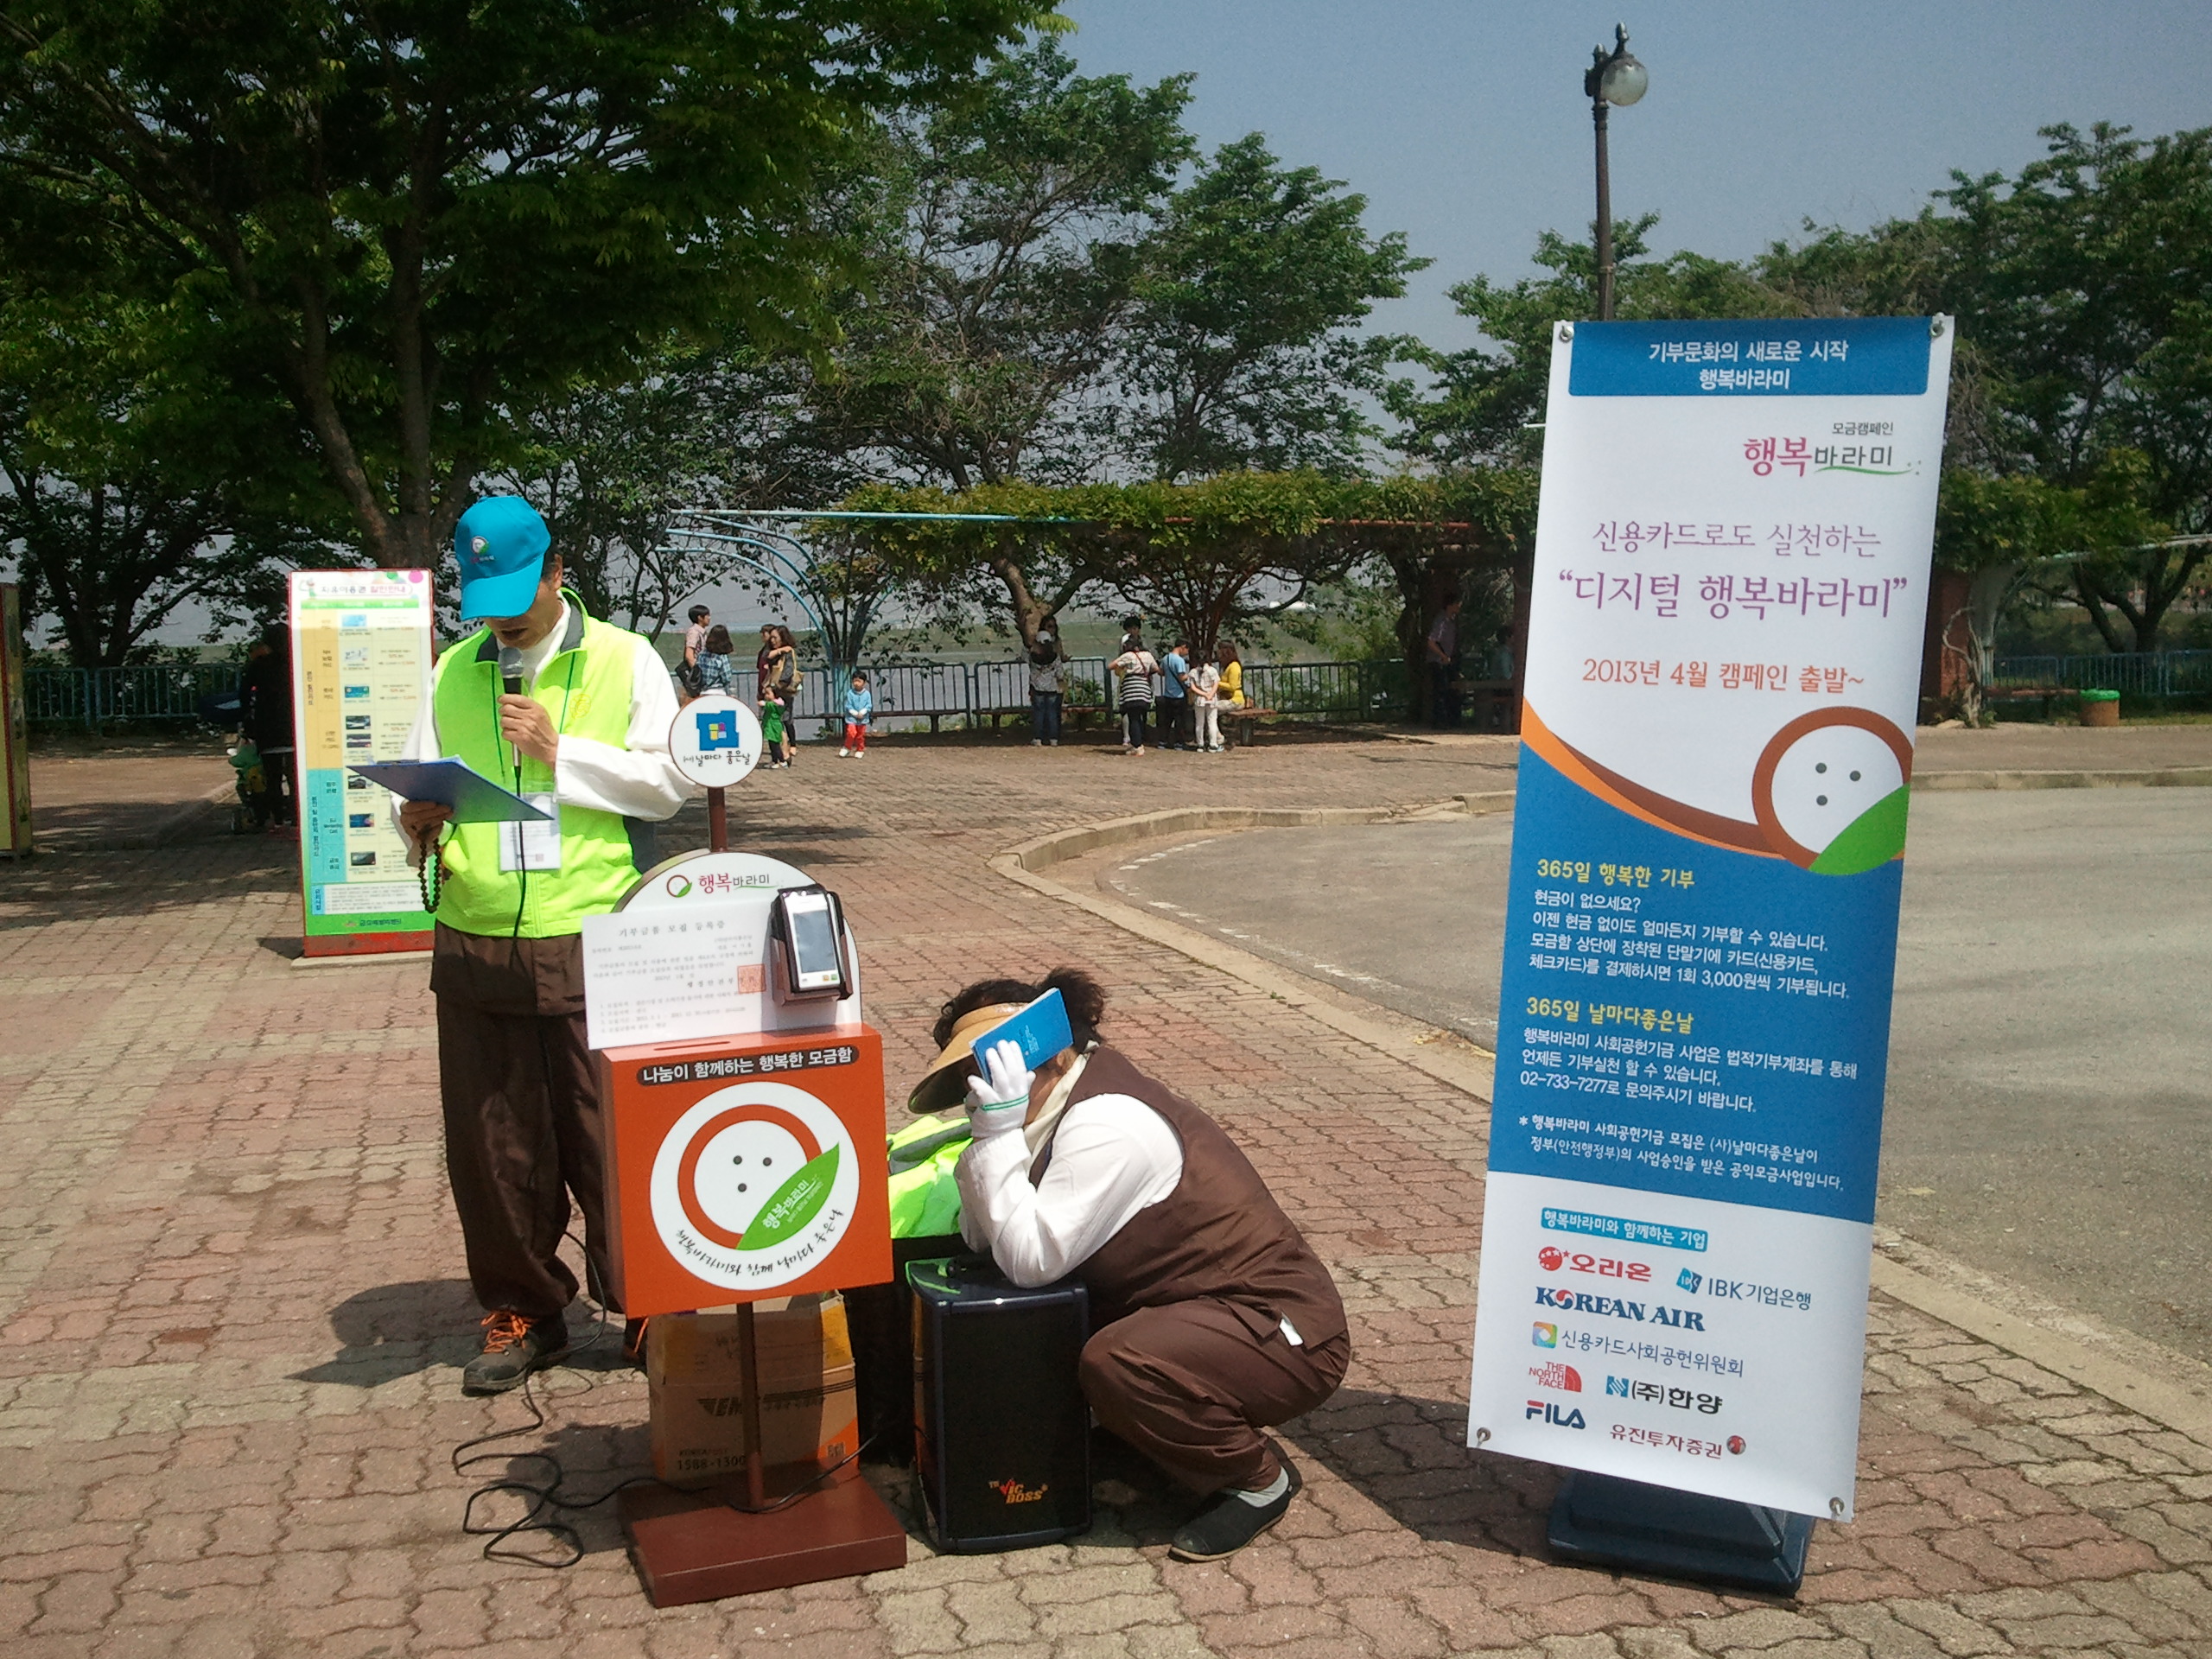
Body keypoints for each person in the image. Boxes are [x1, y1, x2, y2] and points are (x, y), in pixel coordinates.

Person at [394, 496, 691, 1395]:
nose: (503, 621)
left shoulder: (625, 658)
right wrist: (415, 820)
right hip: (477, 934)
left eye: (518, 598)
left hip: (594, 930)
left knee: (613, 1134)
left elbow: (668, 784)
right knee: (493, 1144)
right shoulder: (453, 670)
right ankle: (522, 1312)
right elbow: (416, 779)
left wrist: (565, 753)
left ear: (557, 572)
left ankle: (649, 1304)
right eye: (486, 604)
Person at [909, 968, 1348, 1562]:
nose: (982, 1089)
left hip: (1283, 1334)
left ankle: (1256, 1480)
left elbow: (1029, 1261)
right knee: (1052, 1327)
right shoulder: (1035, 1115)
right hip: (1189, 1310)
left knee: (1119, 1362)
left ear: (1056, 1052)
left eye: (998, 1067)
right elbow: (982, 1240)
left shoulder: (1107, 1122)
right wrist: (995, 1135)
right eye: (973, 1075)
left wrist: (997, 1140)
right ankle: (1152, 1431)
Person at [236, 621, 297, 830]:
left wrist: (247, 717)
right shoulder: (296, 662)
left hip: (267, 726)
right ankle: (296, 816)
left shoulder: (258, 665)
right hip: (293, 725)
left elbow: (244, 694)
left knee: (272, 776)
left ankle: (277, 818)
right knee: (294, 774)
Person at [1109, 632, 1159, 755]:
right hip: (1144, 689)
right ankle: (1137, 742)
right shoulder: (1148, 655)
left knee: (1133, 718)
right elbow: (1156, 669)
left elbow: (1110, 666)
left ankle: (1137, 745)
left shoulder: (1128, 656)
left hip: (1131, 689)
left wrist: (1124, 667)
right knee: (1140, 716)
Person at [1028, 615, 1068, 747]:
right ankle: (1053, 739)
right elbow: (1060, 674)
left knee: (1039, 713)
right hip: (1052, 688)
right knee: (1052, 713)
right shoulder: (1055, 657)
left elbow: (1024, 657)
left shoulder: (1032, 657)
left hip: (1037, 688)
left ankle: (1038, 738)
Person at [1427, 597, 1463, 728]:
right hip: (1438, 662)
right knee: (1440, 691)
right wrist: (1443, 656)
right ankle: (1439, 721)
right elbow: (1431, 641)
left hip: (1448, 662)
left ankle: (1451, 719)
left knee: (1451, 690)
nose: (1459, 607)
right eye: (1457, 604)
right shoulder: (1441, 621)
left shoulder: (1452, 622)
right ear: (1450, 605)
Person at [1157, 639, 1192, 750]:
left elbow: (1161, 672)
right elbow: (1182, 677)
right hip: (1178, 695)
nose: (1187, 652)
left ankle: (1163, 741)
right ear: (1183, 647)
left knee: (1167, 720)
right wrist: (1190, 675)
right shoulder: (1179, 660)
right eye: (1187, 650)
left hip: (1168, 694)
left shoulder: (1165, 658)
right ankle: (1179, 743)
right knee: (1179, 720)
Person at [1189, 651, 1223, 753]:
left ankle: (1200, 744)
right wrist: (1210, 694)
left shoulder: (1193, 672)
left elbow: (1193, 687)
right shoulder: (1212, 671)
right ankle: (1213, 744)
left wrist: (1203, 694)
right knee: (1212, 722)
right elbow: (1216, 684)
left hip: (1200, 699)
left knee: (1199, 723)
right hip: (1211, 699)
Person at [679, 604, 711, 701]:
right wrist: (698, 673)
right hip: (697, 673)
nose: (709, 618)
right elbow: (689, 655)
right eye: (707, 615)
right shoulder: (694, 632)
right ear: (700, 618)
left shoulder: (702, 632)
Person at [695, 625, 736, 695]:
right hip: (718, 691)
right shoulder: (722, 657)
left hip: (703, 691)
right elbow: (727, 678)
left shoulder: (702, 654)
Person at [840, 671, 873, 757]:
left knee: (860, 735)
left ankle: (860, 749)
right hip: (851, 718)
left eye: (859, 681)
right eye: (855, 681)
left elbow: (869, 705)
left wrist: (862, 712)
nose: (857, 683)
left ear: (864, 683)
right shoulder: (850, 693)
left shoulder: (867, 694)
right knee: (851, 732)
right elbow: (848, 705)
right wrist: (855, 713)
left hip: (863, 718)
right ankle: (847, 747)